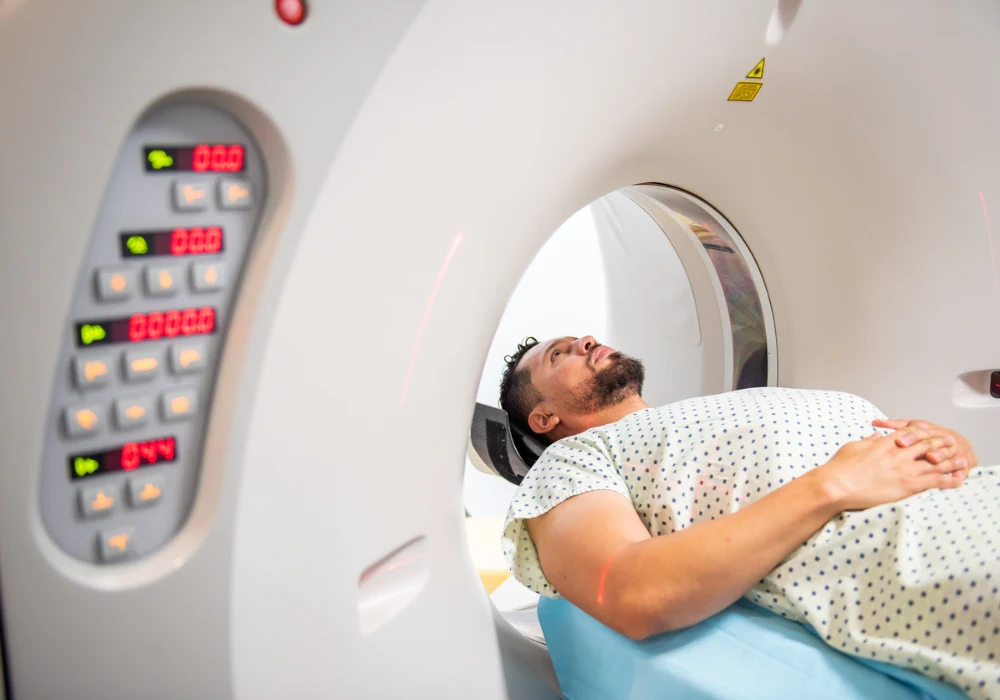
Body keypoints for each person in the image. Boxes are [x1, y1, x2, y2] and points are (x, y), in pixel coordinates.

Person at [498, 335, 1000, 699]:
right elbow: (630, 591)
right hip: (915, 546)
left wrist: (950, 451)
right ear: (543, 419)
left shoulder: (725, 405)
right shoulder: (575, 458)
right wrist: (835, 484)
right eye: (558, 355)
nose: (586, 341)